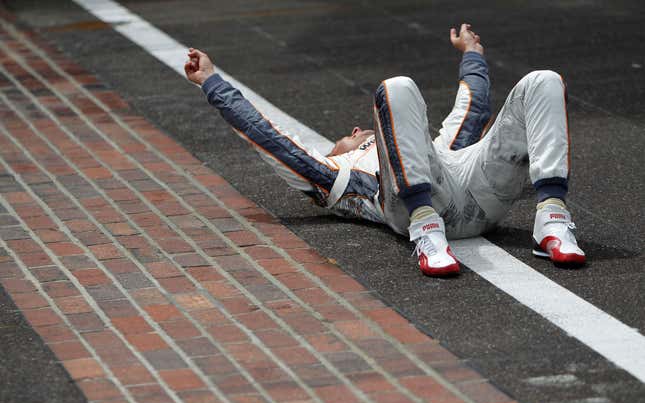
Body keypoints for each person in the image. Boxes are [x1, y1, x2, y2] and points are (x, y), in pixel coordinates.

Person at [184, 24, 586, 277]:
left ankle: (551, 217)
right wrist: (211, 82)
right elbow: (271, 139)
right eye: (345, 136)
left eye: (358, 130)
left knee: (542, 81)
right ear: (340, 150)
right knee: (396, 86)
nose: (355, 130)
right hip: (410, 207)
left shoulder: (430, 147)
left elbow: (473, 108)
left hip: (470, 189)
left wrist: (473, 55)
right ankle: (426, 230)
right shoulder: (334, 175)